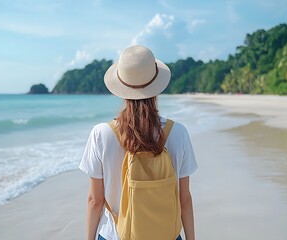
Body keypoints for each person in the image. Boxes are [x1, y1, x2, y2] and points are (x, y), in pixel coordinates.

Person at [79, 45, 198, 240]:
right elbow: (184, 199)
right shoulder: (178, 133)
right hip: (166, 234)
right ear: (157, 85)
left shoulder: (101, 134)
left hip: (115, 235)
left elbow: (95, 200)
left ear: (121, 87)